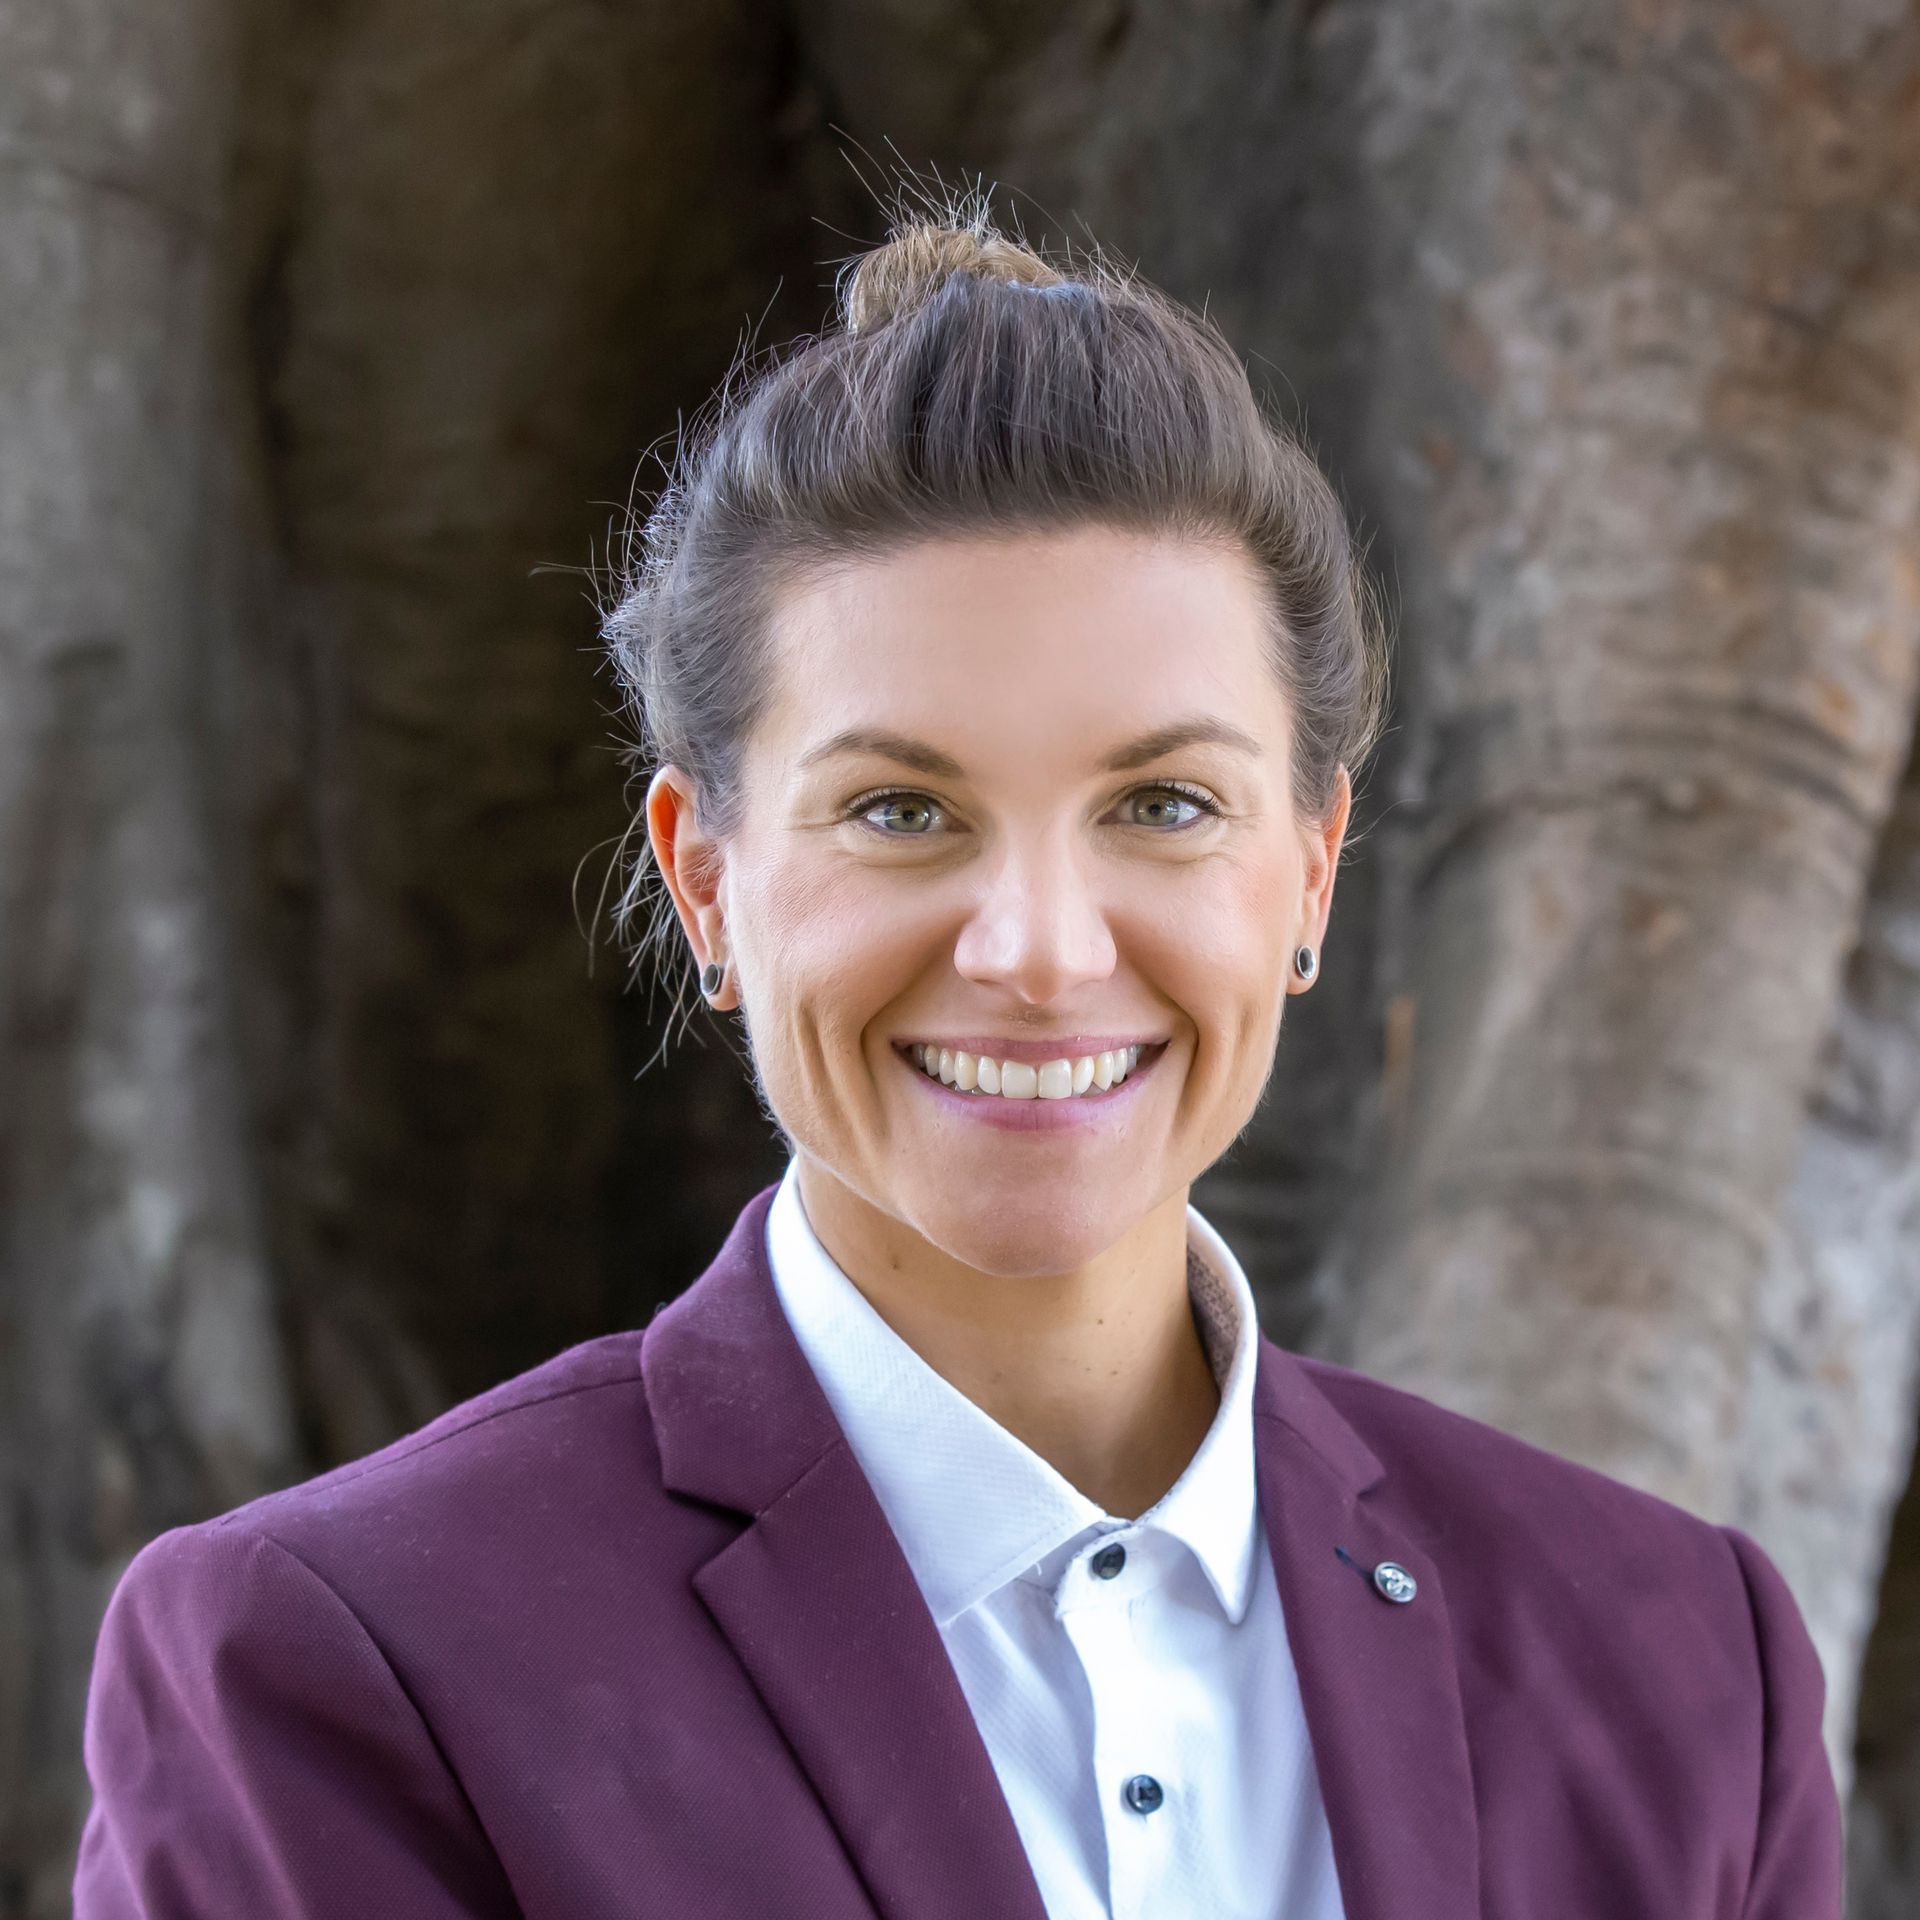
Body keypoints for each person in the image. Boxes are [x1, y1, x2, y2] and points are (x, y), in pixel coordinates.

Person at [72, 207, 1841, 1920]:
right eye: (901, 812)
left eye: (1164, 805)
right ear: (707, 878)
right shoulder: (343, 1667)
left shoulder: (1678, 1662)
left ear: (1308, 870)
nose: (1042, 950)